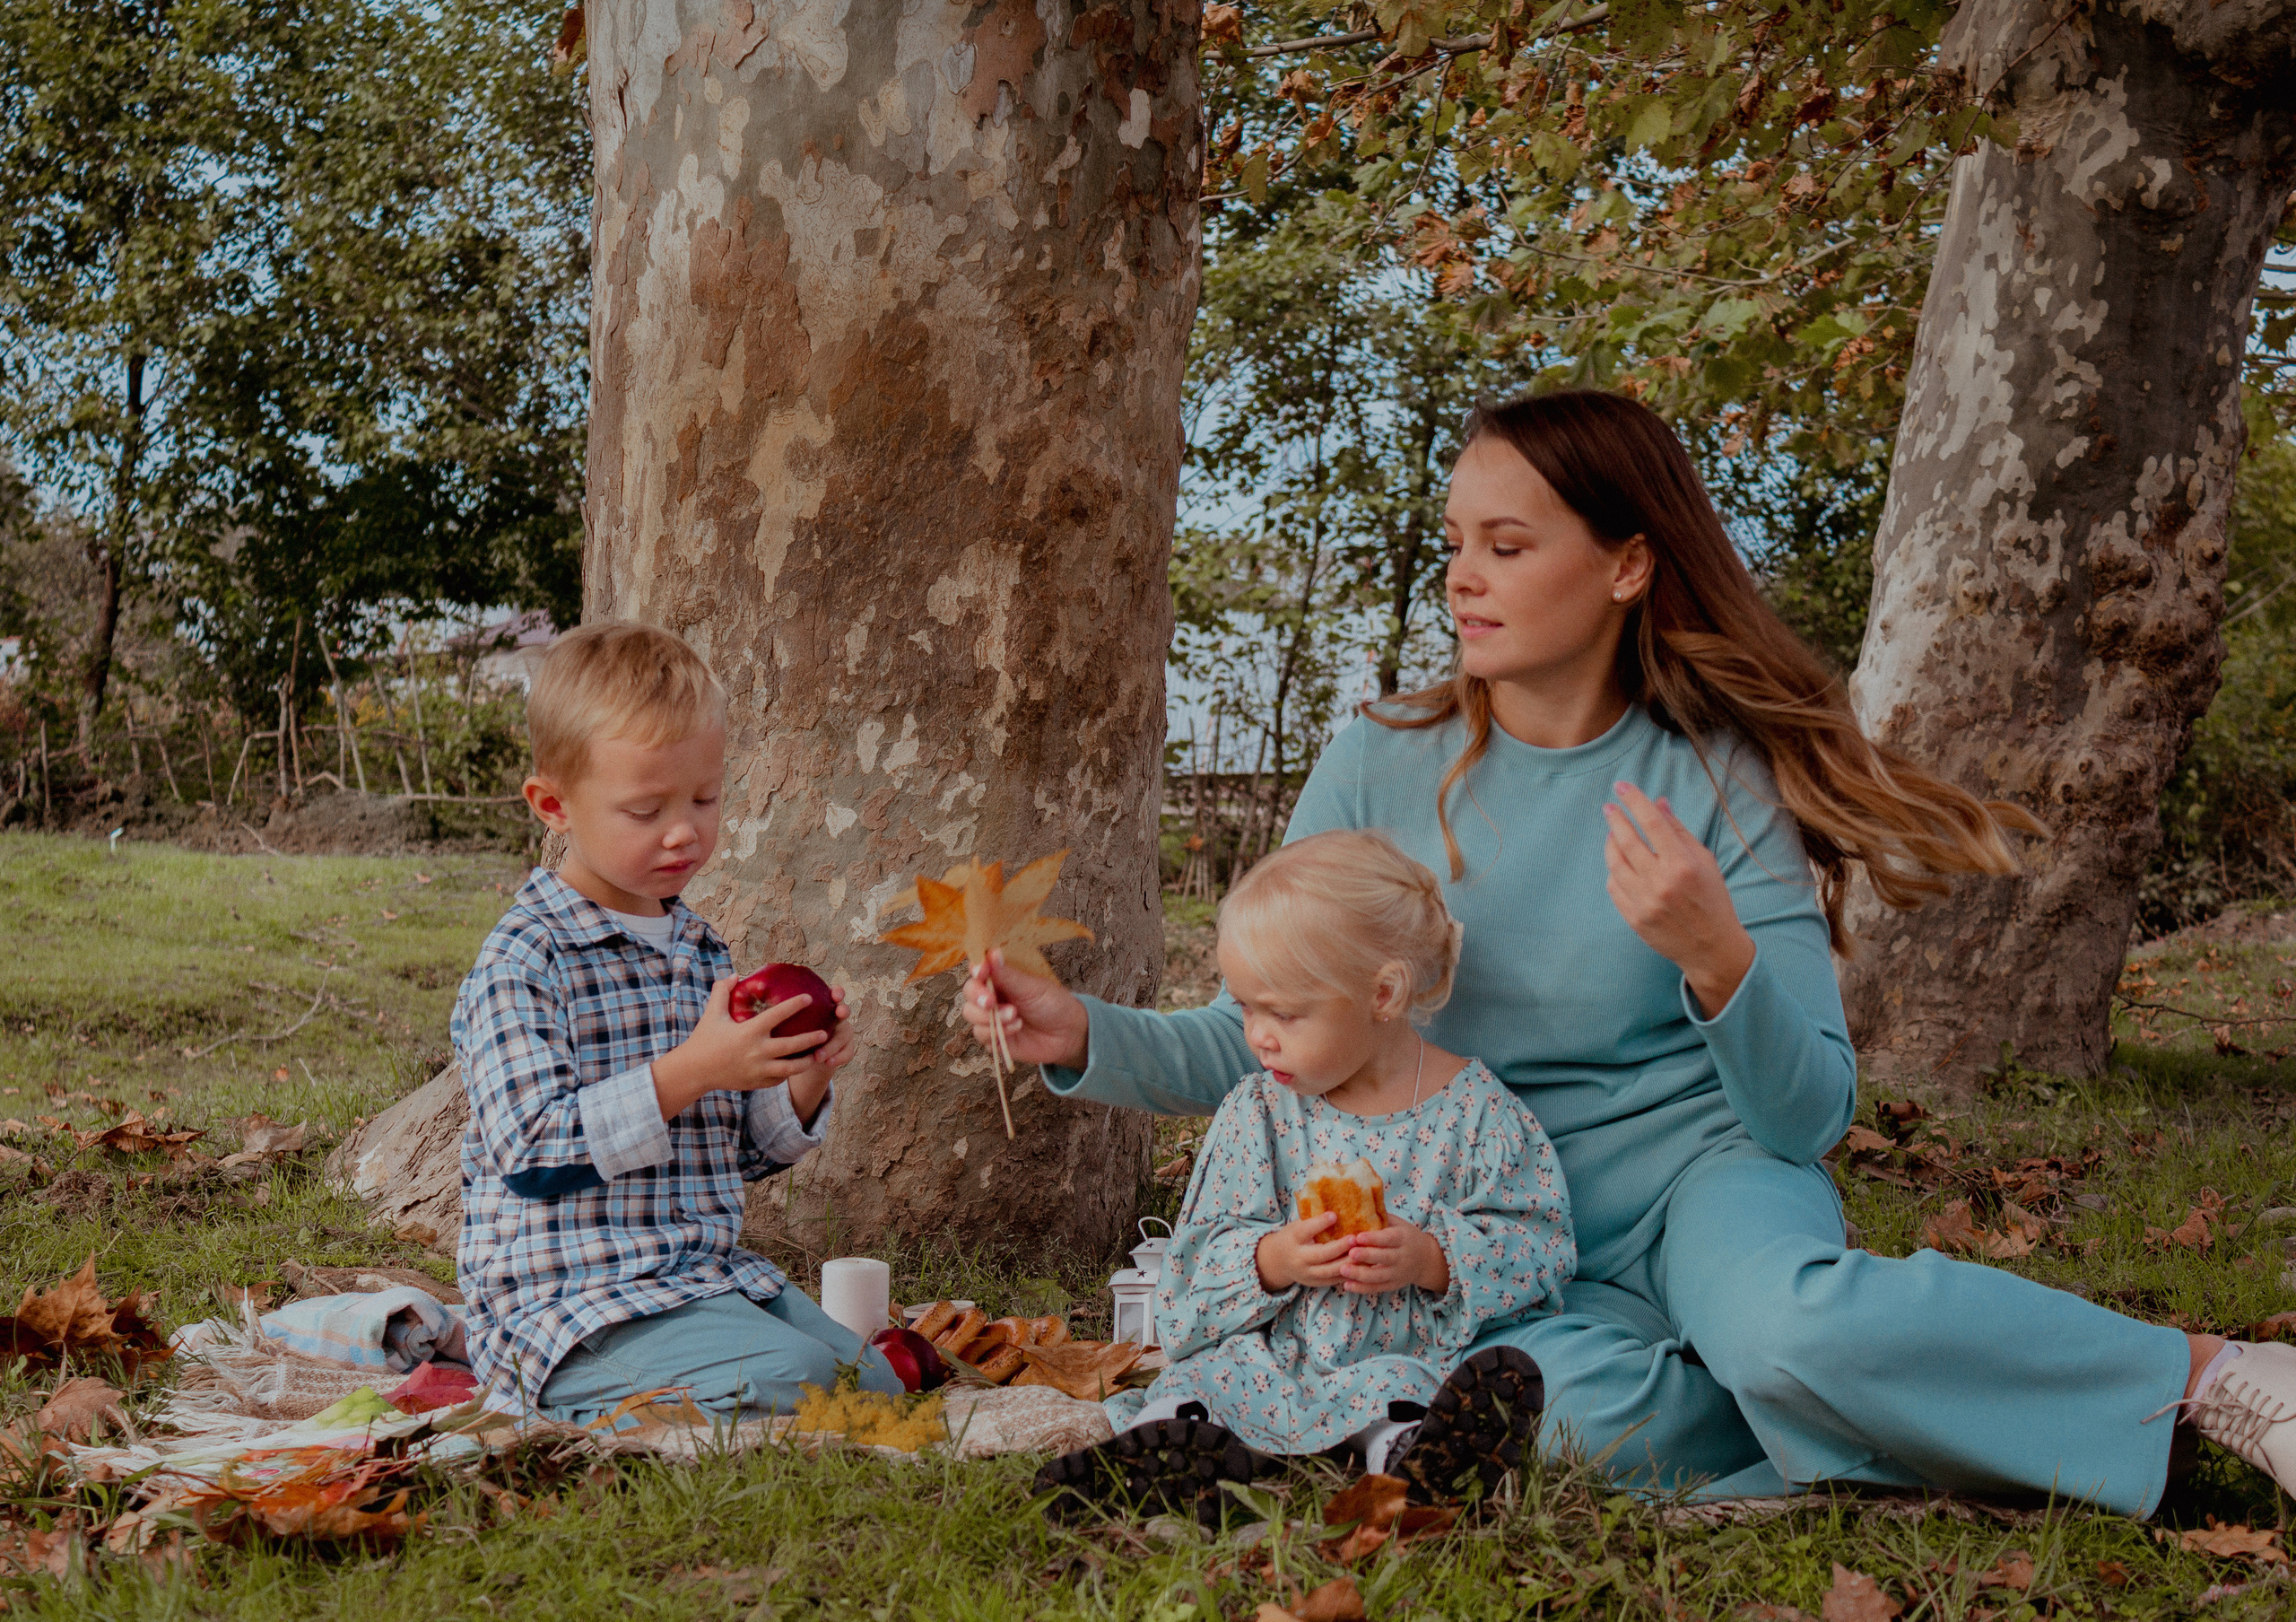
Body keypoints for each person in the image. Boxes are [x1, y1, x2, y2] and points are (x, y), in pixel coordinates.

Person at [966, 390, 2296, 1514]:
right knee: (1530, 1424)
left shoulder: (1716, 774)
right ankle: (1832, 1407)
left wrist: (1718, 956)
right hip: (1475, 1225)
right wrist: (1078, 1031)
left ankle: (2202, 1375)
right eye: (1454, 545)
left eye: (1506, 543)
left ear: (1625, 564)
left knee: (1790, 1327)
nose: (1462, 578)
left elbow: (1807, 1114)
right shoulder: (1379, 759)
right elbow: (1255, 1031)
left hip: (1693, 1194)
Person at [1039, 831, 1573, 1521]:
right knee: (1203, 1380)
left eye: (1284, 1012)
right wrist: (1273, 1258)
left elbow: (1541, 1246)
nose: (1258, 1035)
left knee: (1405, 1393)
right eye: (1246, 1008)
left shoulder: (1477, 1115)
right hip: (1264, 1353)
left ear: (1382, 993)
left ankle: (1419, 1460)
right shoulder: (1257, 1111)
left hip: (1396, 1358)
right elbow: (1192, 1273)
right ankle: (1172, 1454)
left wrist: (1432, 1257)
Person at [453, 621, 903, 1421]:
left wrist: (799, 1078)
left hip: (701, 1280)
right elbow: (529, 1150)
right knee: (805, 1384)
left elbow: (738, 1155)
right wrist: (693, 1068)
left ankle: (700, 1385)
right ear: (553, 805)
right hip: (573, 1309)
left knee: (876, 1387)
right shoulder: (525, 961)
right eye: (645, 809)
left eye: (704, 797)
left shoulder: (698, 949)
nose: (685, 830)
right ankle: (570, 1407)